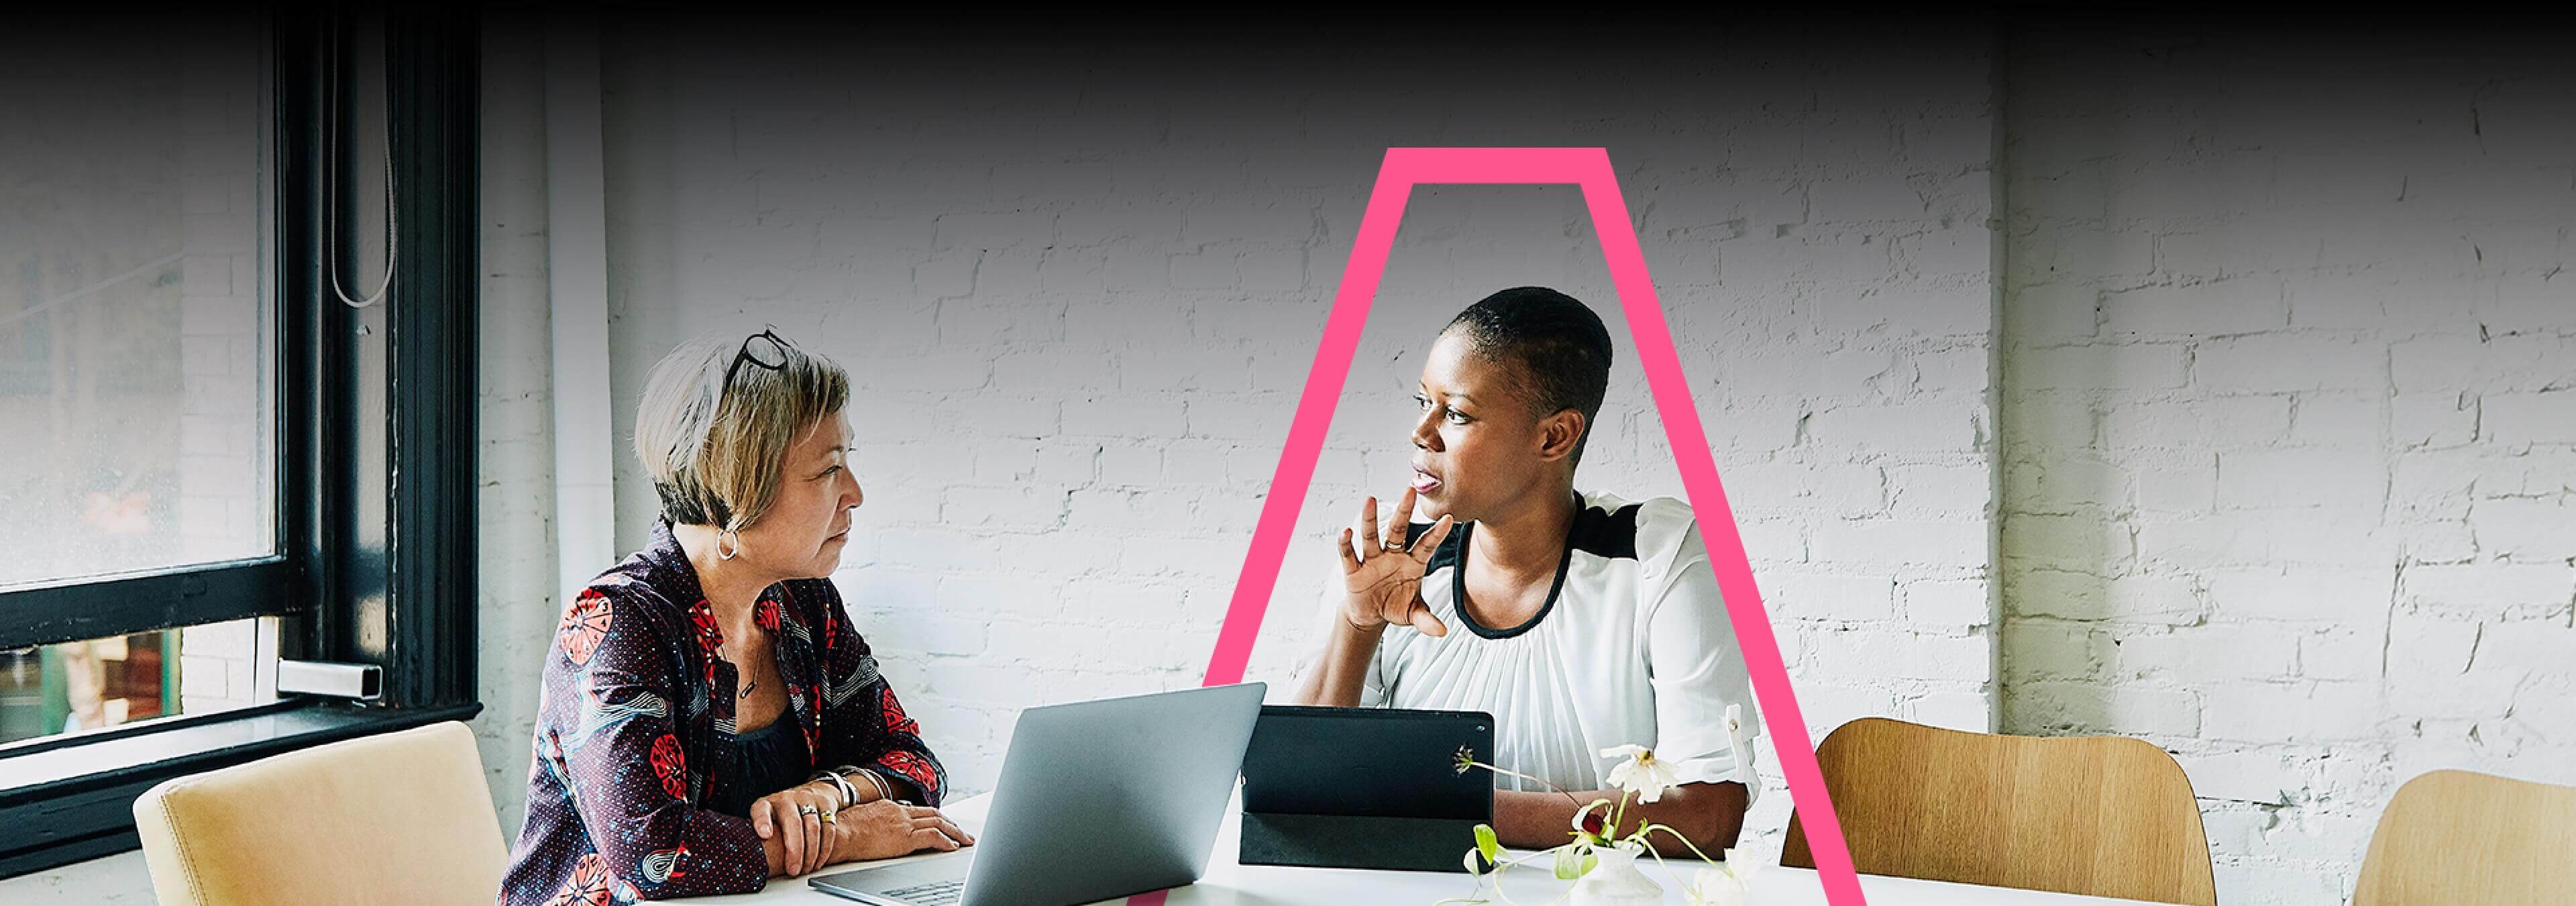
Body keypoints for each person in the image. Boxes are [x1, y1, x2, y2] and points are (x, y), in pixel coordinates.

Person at [502, 328, 972, 904]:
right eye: (828, 470)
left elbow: (916, 765)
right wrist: (844, 837)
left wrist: (827, 798)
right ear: (738, 489)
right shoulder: (615, 622)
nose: (854, 492)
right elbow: (651, 852)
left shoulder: (805, 602)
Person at [1292, 287, 1759, 857]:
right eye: (1423, 402)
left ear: (1553, 436)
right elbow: (1298, 792)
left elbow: (1708, 814)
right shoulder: (1396, 556)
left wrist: (1431, 804)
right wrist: (1357, 627)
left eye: (1457, 414)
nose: (1422, 432)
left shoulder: (1655, 554)